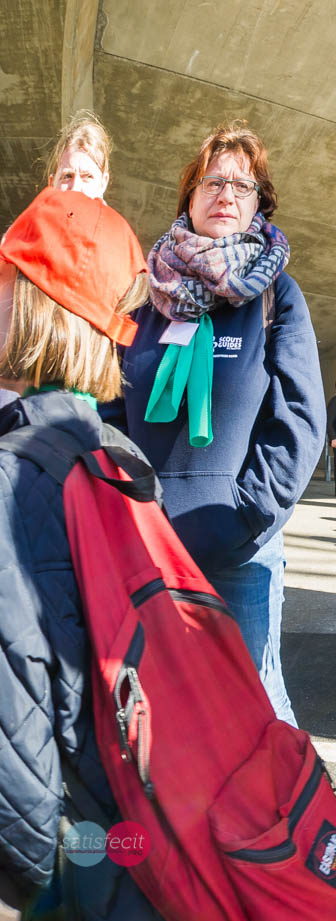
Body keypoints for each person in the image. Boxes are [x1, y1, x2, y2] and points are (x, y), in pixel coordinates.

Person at [106, 120, 323, 726]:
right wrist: (131, 511)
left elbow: (300, 418)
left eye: (241, 185)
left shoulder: (275, 296)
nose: (225, 193)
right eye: (211, 182)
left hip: (240, 551)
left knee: (255, 711)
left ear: (259, 204)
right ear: (189, 200)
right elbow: (111, 408)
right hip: (151, 549)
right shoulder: (145, 296)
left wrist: (246, 512)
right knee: (160, 715)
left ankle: (296, 824)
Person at [0, 188, 161, 920]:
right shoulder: (120, 458)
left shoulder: (13, 471)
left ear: (36, 302)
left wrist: (36, 881)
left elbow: (14, 708)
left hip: (67, 859)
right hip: (134, 825)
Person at [45, 110, 113, 201]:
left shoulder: (113, 216)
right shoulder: (33, 215)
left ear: (103, 183)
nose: (75, 188)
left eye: (87, 176)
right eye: (67, 176)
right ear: (52, 183)